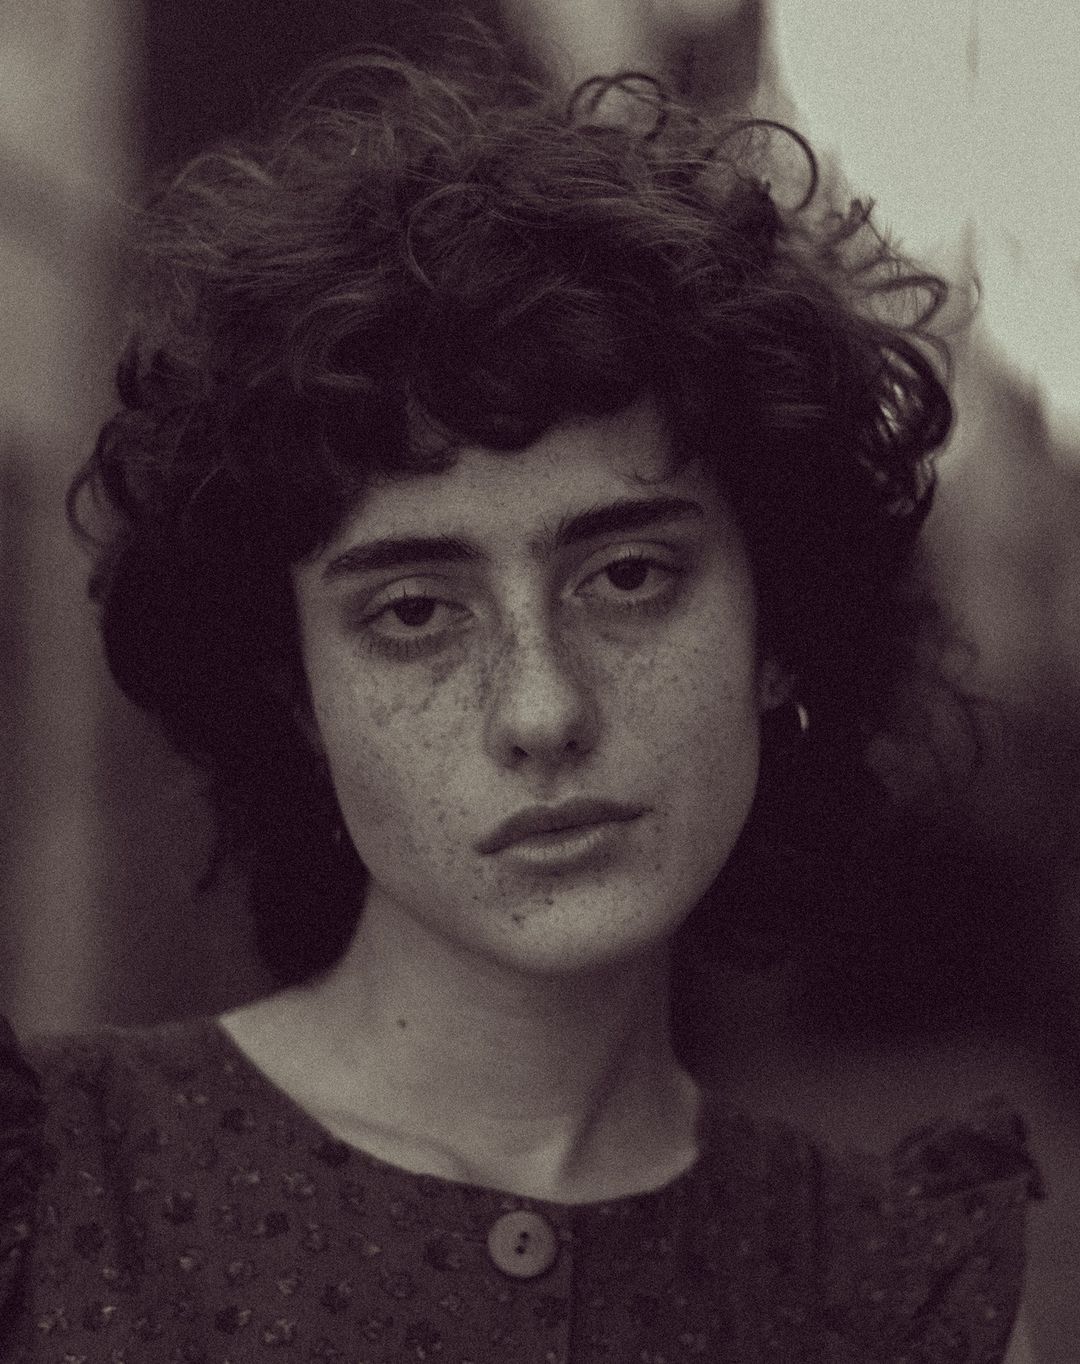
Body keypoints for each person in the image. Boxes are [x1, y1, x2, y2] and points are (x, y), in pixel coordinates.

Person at [0, 17, 1040, 1362]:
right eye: (415, 613)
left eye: (628, 577)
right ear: (296, 691)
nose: (542, 712)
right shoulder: (52, 1199)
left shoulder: (902, 1300)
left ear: (776, 623)